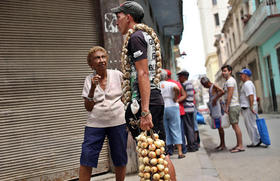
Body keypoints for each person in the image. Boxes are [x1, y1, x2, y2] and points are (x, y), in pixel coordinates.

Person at [111, 1, 176, 180]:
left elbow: (143, 73)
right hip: (147, 99)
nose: (117, 22)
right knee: (157, 154)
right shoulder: (145, 35)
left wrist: (145, 111)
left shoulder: (136, 38)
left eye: (118, 17)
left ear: (128, 17)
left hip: (145, 102)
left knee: (158, 155)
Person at [79, 46, 127, 181]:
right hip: (95, 124)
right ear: (91, 64)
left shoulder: (117, 75)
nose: (101, 60)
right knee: (87, 157)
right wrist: (93, 88)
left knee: (120, 158)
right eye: (97, 58)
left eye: (103, 57)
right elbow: (88, 107)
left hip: (118, 122)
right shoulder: (89, 80)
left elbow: (126, 97)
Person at [160, 69, 185, 159]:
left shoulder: (158, 85)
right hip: (173, 106)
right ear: (166, 76)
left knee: (165, 129)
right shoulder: (171, 84)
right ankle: (180, 152)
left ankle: (168, 152)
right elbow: (176, 89)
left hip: (162, 107)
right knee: (176, 128)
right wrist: (175, 97)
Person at [221, 65, 245, 153]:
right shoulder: (228, 81)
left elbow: (230, 95)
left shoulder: (230, 81)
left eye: (225, 71)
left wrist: (227, 107)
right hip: (232, 105)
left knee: (235, 126)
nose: (223, 73)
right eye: (223, 71)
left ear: (230, 71)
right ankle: (238, 144)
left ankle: (241, 146)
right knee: (235, 126)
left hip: (233, 106)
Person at [165, 69, 188, 155]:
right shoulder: (176, 83)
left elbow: (184, 94)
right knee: (178, 130)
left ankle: (170, 150)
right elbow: (184, 95)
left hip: (176, 109)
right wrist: (177, 100)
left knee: (170, 130)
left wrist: (176, 100)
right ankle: (182, 149)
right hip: (177, 108)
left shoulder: (170, 83)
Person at [200, 77, 226, 150]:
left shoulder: (213, 86)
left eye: (203, 85)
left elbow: (222, 91)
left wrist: (215, 98)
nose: (203, 86)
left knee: (220, 127)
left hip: (217, 109)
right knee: (218, 127)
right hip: (214, 110)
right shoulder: (210, 88)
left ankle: (223, 144)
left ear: (206, 83)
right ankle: (221, 144)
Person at [238, 68, 261, 147]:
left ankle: (255, 141)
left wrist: (251, 107)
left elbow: (250, 95)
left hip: (248, 107)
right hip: (248, 107)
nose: (240, 76)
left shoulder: (247, 84)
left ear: (246, 75)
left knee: (250, 124)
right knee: (252, 124)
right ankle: (256, 139)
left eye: (242, 74)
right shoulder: (247, 83)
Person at [177, 70, 198, 152]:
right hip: (190, 108)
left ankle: (192, 145)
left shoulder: (186, 84)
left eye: (180, 77)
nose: (179, 78)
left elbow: (184, 96)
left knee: (189, 128)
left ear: (183, 77)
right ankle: (193, 144)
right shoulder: (189, 83)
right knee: (191, 127)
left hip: (187, 108)